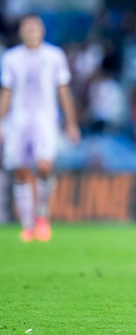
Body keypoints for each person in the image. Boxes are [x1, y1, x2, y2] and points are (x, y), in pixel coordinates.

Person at [0, 14, 80, 242]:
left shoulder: (54, 56)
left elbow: (63, 91)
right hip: (18, 121)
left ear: (42, 31)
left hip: (45, 120)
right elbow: (6, 92)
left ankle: (42, 214)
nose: (31, 31)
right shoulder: (11, 58)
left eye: (35, 27)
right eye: (27, 27)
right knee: (22, 171)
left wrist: (72, 123)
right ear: (21, 31)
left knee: (44, 167)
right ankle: (27, 226)